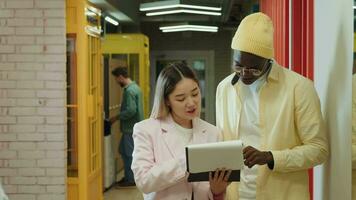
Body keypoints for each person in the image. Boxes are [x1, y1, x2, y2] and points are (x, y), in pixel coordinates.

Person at [215, 12, 329, 200]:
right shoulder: (225, 88)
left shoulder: (299, 88)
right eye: (238, 65)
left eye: (254, 68)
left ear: (268, 60)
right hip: (236, 194)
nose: (245, 74)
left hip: (282, 194)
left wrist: (271, 157)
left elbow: (319, 150)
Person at [131, 62, 231, 200]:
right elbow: (144, 181)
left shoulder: (213, 132)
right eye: (181, 98)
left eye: (195, 94)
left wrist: (217, 191)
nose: (191, 103)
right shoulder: (146, 130)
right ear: (166, 100)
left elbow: (212, 192)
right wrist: (189, 161)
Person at [110, 67, 144, 187]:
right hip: (134, 128)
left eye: (116, 79)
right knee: (124, 151)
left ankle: (131, 180)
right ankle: (129, 177)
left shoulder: (129, 91)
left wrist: (116, 117)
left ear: (120, 77)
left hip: (130, 129)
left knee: (128, 154)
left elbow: (131, 110)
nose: (116, 82)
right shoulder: (136, 88)